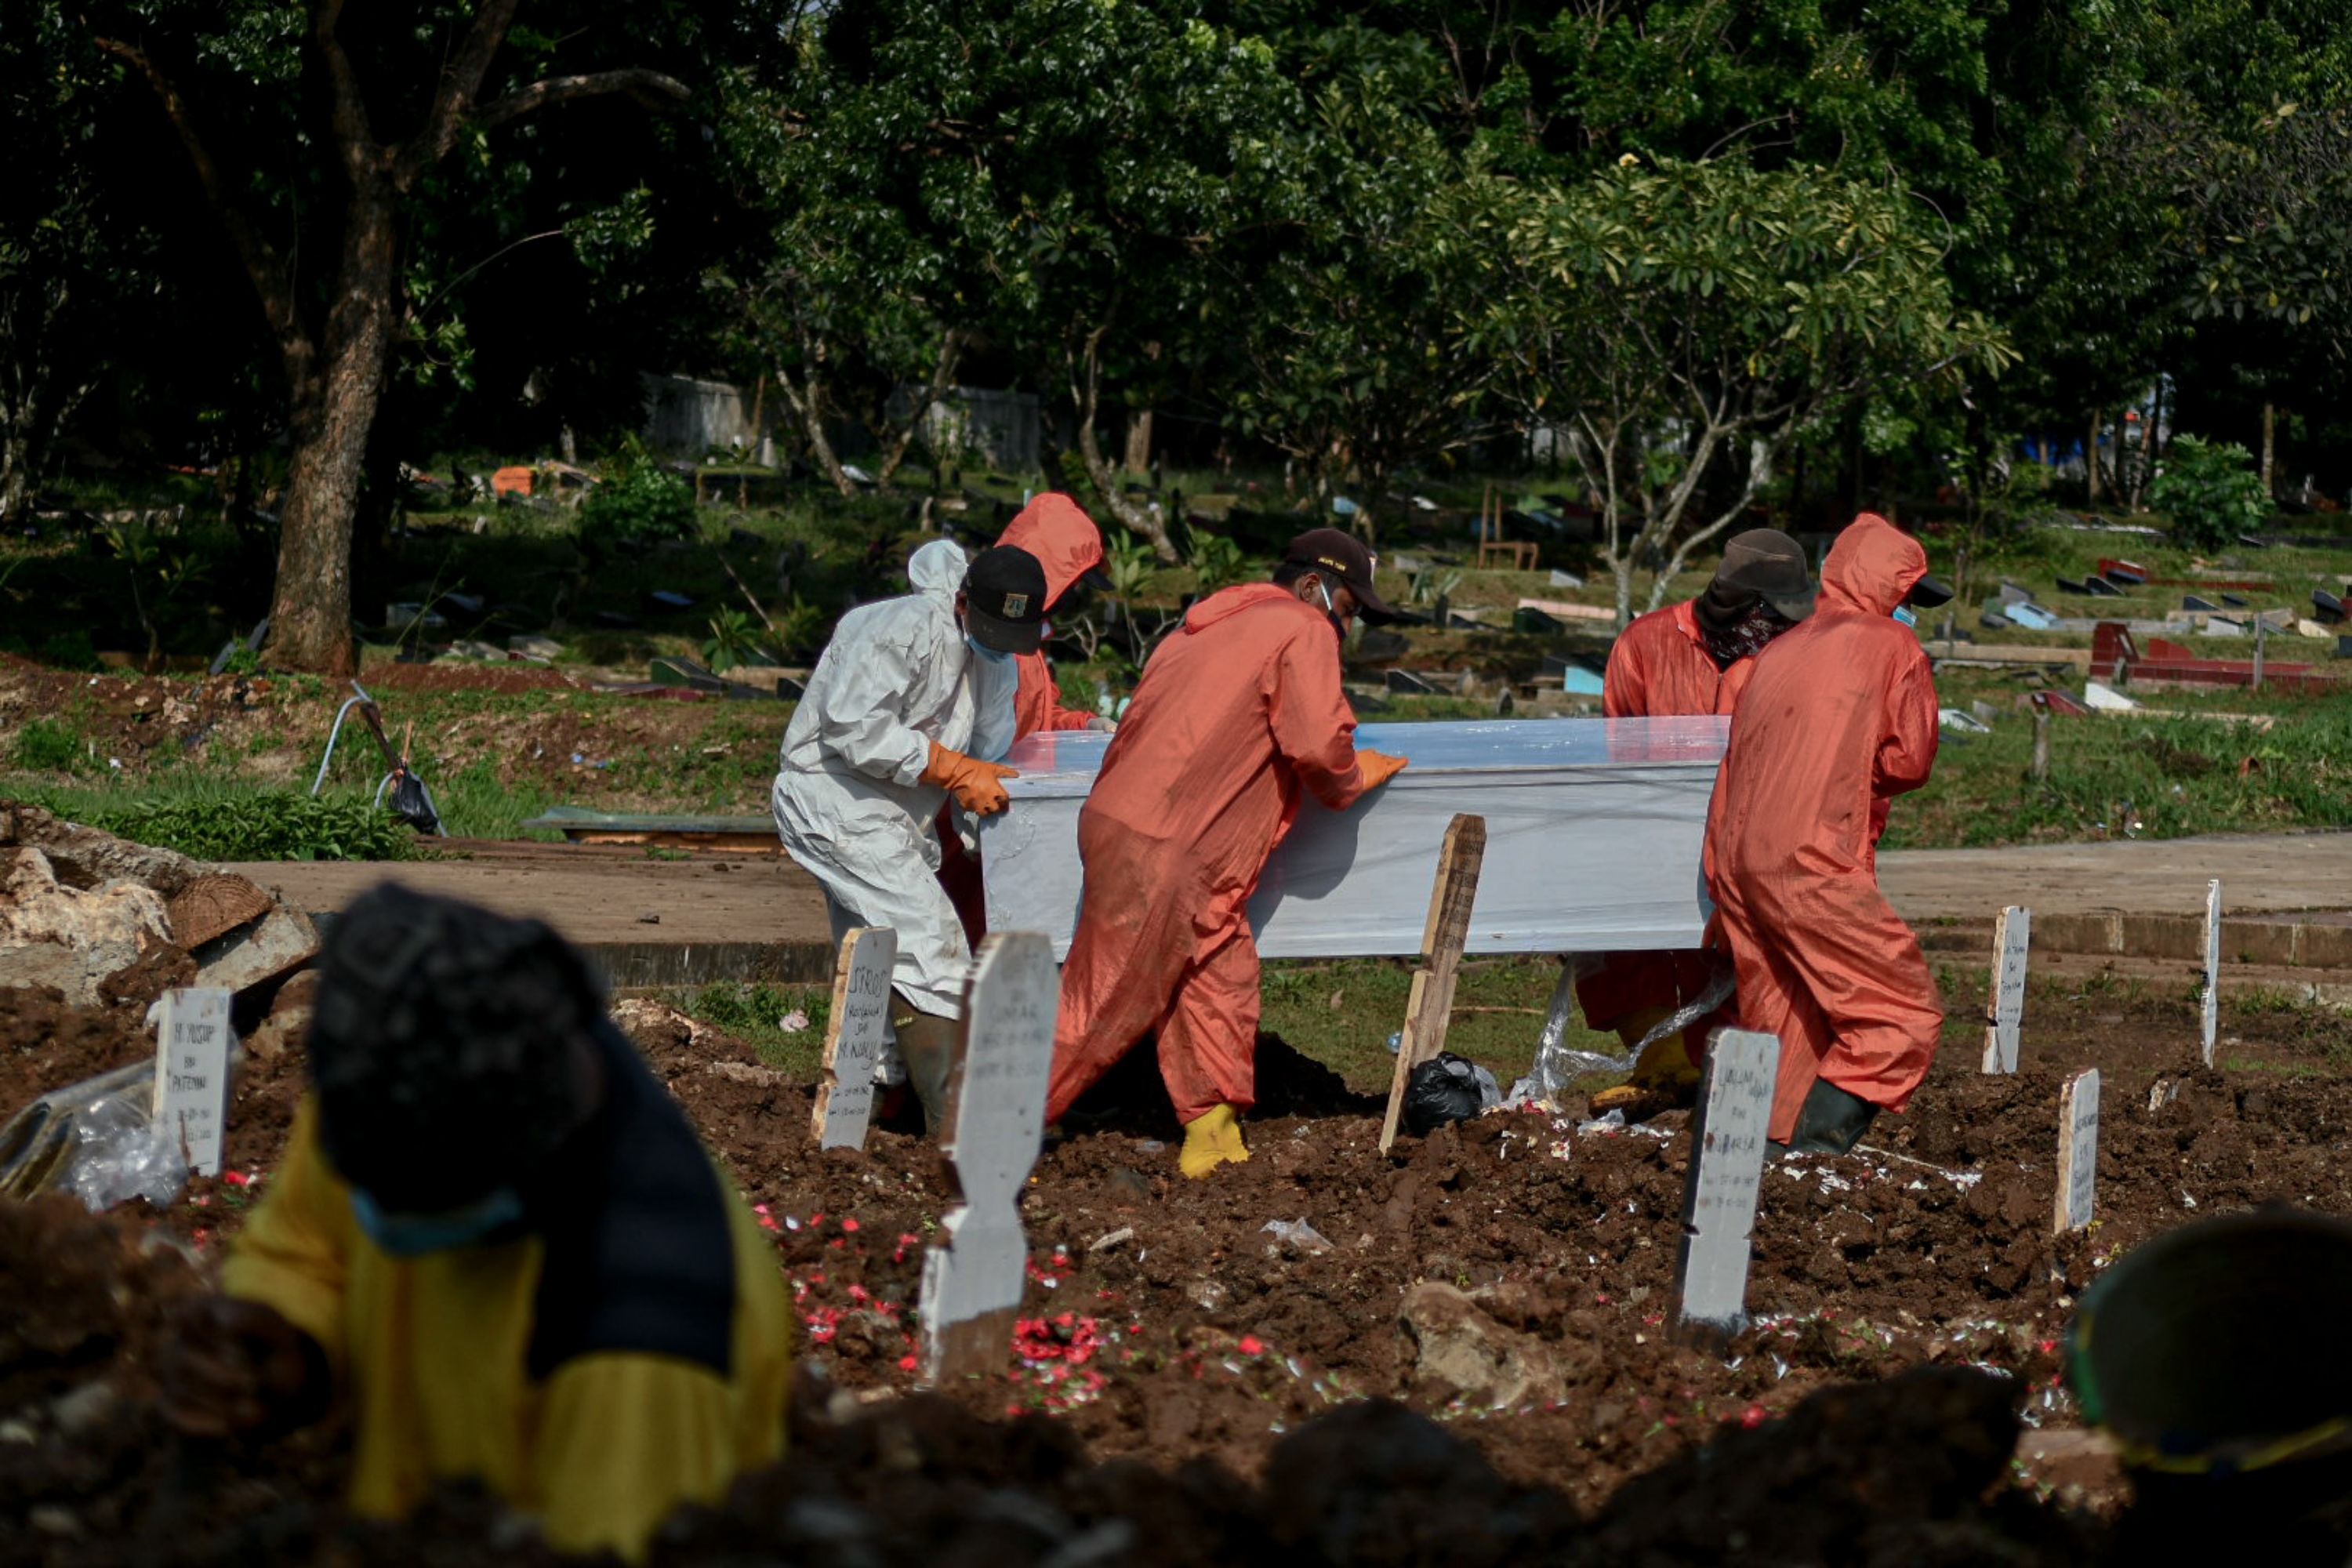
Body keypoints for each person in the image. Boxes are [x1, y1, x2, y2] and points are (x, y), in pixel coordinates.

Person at [154, 887, 793, 1562]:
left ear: (526, 1160)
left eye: (424, 1204)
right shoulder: (401, 1054)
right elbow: (304, 1244)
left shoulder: (642, 1339)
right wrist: (291, 1341)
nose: (381, 1220)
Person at [1046, 528, 1411, 1178]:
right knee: (1103, 999)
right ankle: (986, 1122)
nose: (1347, 628)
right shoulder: (1304, 627)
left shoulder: (1206, 625)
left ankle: (1212, 1132)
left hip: (1146, 829)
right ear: (1311, 587)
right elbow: (1317, 744)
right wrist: (1354, 775)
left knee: (1219, 977)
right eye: (1349, 609)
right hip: (1170, 844)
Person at [1702, 511, 1952, 1154]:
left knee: (1787, 1024)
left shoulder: (1781, 648)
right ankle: (1819, 1154)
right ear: (1891, 590)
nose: (1906, 608)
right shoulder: (1893, 647)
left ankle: (1763, 1166)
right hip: (1810, 860)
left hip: (1739, 863)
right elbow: (1908, 762)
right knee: (1898, 1012)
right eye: (1905, 595)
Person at [771, 538, 1042, 1129]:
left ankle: (855, 1115)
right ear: (963, 600)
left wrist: (986, 816)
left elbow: (987, 755)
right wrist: (951, 769)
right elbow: (853, 728)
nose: (998, 647)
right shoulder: (897, 628)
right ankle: (957, 1127)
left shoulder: (996, 664)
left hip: (895, 821)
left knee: (876, 956)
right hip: (834, 798)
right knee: (933, 943)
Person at [1581, 529, 1815, 1116]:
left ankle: (1742, 1070)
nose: (1781, 630)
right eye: (1772, 615)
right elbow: (1621, 746)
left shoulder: (1794, 650)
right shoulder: (1647, 643)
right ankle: (1662, 1061)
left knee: (1749, 954)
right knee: (1625, 946)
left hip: (1753, 835)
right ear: (1739, 604)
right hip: (1656, 833)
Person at [935, 494, 1116, 942]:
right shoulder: (978, 639)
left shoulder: (1023, 644)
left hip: (1001, 803)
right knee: (956, 934)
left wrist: (1086, 725)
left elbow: (1039, 717)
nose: (1074, 597)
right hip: (957, 812)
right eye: (1074, 583)